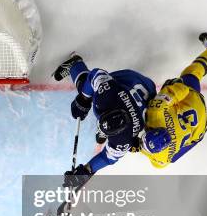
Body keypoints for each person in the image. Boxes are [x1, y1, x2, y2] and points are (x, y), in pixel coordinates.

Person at [53, 52, 157, 187]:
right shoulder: (108, 97)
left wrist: (86, 170)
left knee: (92, 95)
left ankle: (75, 65)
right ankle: (75, 65)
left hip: (144, 88)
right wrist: (83, 98)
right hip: (131, 81)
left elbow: (108, 158)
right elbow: (96, 75)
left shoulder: (123, 139)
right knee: (89, 89)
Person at [139, 32, 207, 168]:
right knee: (190, 74)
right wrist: (173, 85)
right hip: (193, 105)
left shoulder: (164, 158)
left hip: (201, 127)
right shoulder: (155, 112)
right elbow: (182, 89)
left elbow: (182, 151)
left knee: (192, 136)